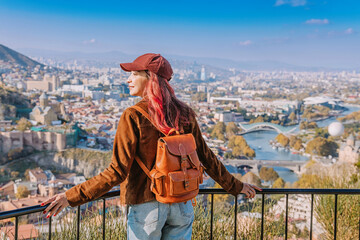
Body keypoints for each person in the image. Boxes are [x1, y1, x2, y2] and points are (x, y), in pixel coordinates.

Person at [41, 53, 262, 239]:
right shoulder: (184, 114)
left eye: (135, 74)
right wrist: (236, 186)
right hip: (182, 201)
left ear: (150, 79)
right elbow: (206, 157)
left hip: (147, 206)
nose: (128, 79)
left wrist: (69, 197)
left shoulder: (133, 116)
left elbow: (116, 172)